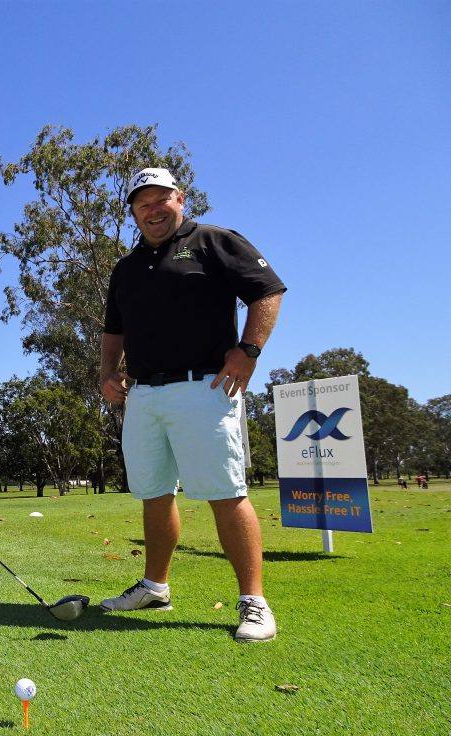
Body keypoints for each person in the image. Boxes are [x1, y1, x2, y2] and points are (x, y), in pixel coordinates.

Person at [99, 168, 286, 643]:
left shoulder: (213, 241)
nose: (153, 209)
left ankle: (254, 603)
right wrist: (107, 373)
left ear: (179, 199)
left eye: (161, 199)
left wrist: (248, 351)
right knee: (154, 493)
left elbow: (267, 290)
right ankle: (155, 587)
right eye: (143, 204)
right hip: (143, 395)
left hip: (205, 389)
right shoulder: (126, 268)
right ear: (134, 212)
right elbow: (113, 332)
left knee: (225, 491)